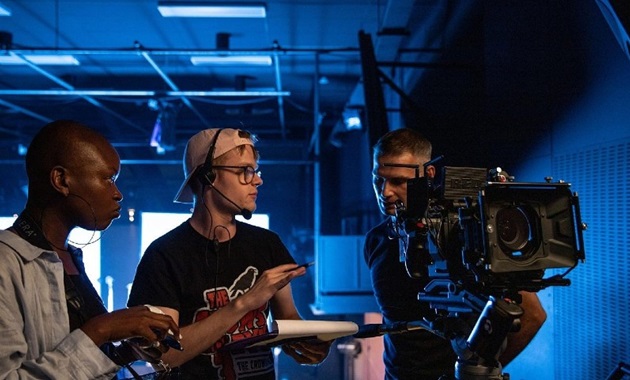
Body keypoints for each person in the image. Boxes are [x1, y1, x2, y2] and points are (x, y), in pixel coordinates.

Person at [127, 128, 331, 379]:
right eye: (244, 171)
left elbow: (288, 318)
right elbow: (166, 354)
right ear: (209, 176)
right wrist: (245, 303)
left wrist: (309, 343)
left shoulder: (267, 243)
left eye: (255, 171)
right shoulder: (164, 256)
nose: (257, 180)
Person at [0, 120, 180, 379]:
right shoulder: (6, 261)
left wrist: (121, 354)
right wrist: (100, 331)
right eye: (107, 178)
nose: (117, 194)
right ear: (61, 180)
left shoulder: (70, 257)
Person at [364, 128, 547, 379]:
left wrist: (474, 373)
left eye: (398, 181)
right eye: (378, 179)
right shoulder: (376, 240)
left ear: (428, 174)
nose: (385, 192)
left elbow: (532, 316)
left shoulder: (465, 233)